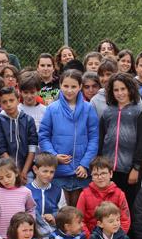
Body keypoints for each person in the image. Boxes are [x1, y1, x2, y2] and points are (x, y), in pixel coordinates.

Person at [39, 69, 99, 207]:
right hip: (59, 171)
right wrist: (54, 156)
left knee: (78, 213)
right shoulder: (52, 109)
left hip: (81, 172)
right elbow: (43, 136)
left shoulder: (88, 109)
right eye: (66, 86)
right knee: (61, 212)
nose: (69, 90)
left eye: (73, 86)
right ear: (60, 85)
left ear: (80, 87)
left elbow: (94, 139)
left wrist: (85, 164)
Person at [99, 72, 142, 208]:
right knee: (109, 206)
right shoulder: (108, 111)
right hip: (109, 169)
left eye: (123, 89)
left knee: (128, 205)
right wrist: (100, 164)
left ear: (130, 89)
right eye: (116, 90)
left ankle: (128, 230)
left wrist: (136, 168)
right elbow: (102, 137)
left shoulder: (139, 111)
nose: (120, 93)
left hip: (129, 169)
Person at [77, 156, 131, 239]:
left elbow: (125, 220)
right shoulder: (84, 194)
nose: (100, 177)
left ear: (111, 174)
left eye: (103, 173)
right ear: (91, 176)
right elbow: (80, 220)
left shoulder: (120, 194)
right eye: (95, 174)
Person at [0, 87, 38, 184]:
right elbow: (1, 148)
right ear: (0, 104)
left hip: (27, 170)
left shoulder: (28, 120)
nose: (8, 104)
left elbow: (32, 147)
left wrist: (24, 172)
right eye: (4, 102)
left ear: (18, 100)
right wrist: (14, 171)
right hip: (7, 172)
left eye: (11, 100)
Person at [0, 158, 36, 239]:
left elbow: (31, 209)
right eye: (1, 178)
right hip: (0, 236)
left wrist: (28, 225)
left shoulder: (26, 192)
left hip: (19, 236)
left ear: (16, 173)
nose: (5, 180)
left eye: (8, 176)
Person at [26, 153, 65, 239]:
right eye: (45, 171)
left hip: (53, 235)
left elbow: (63, 212)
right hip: (31, 235)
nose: (48, 175)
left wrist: (54, 217)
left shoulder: (58, 190)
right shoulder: (26, 191)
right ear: (35, 169)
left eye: (52, 172)